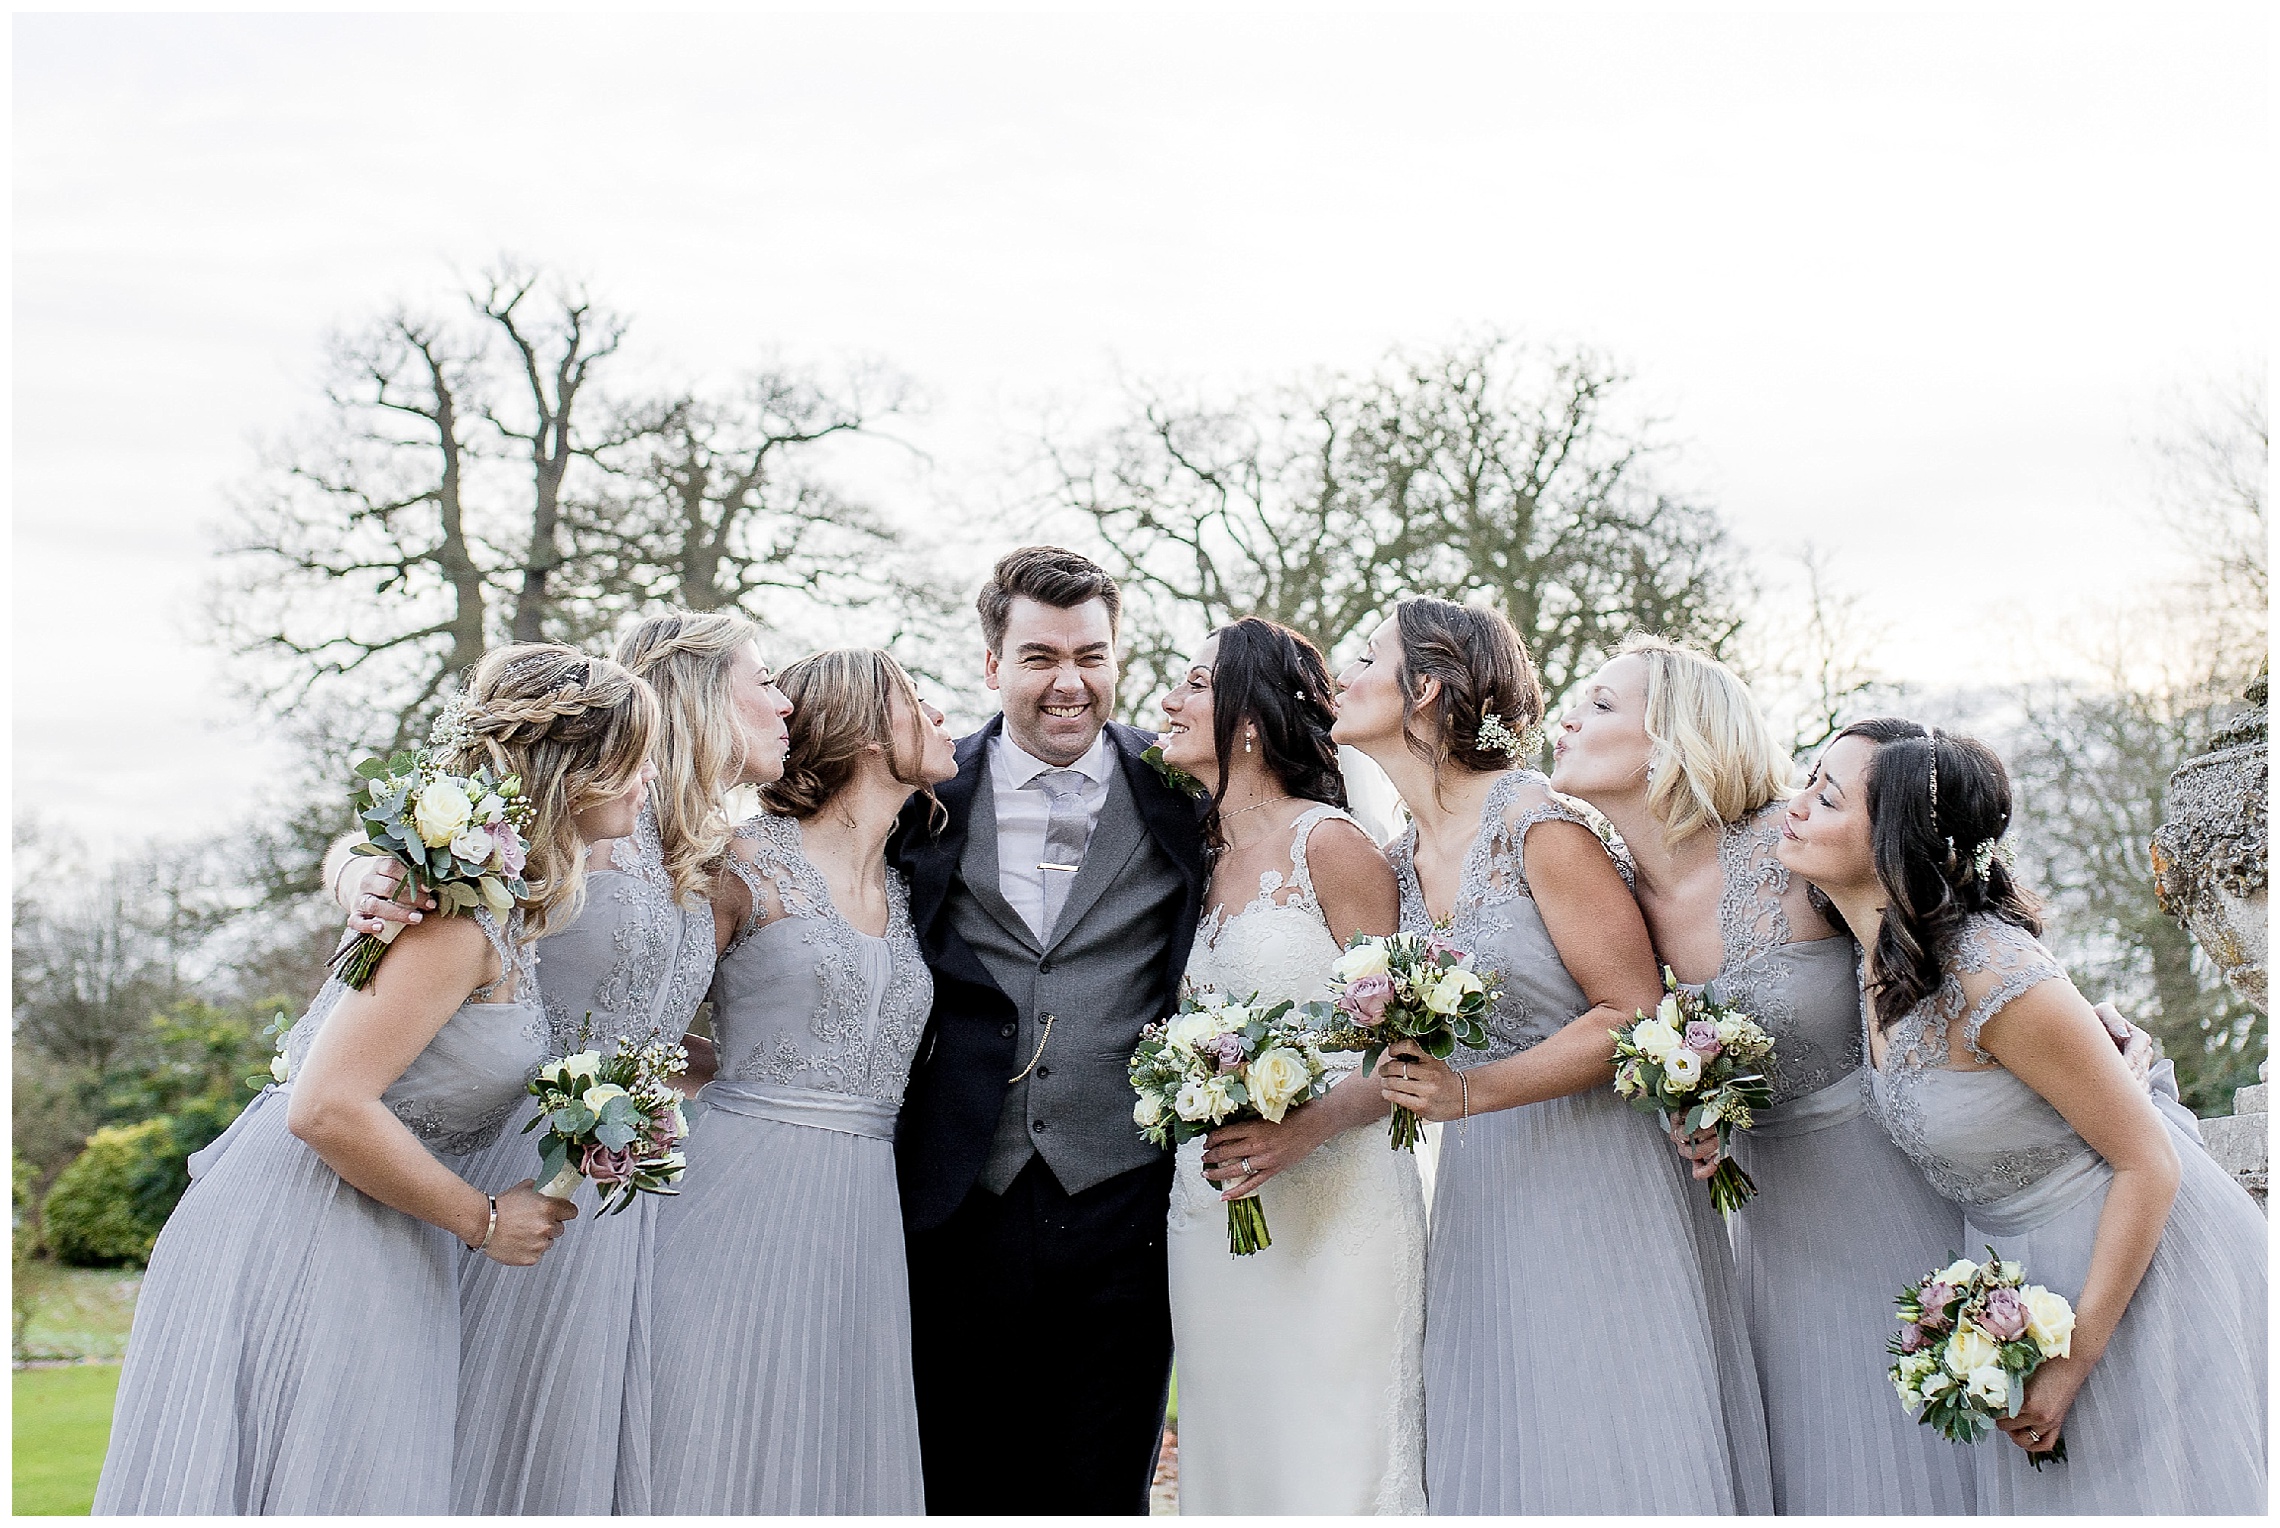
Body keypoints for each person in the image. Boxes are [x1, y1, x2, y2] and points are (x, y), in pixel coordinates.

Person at [1549, 635, 2166, 1513]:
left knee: (1944, 1444)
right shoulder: (1607, 895)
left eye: (1604, 704)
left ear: (1676, 736)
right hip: (1773, 1223)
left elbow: (1948, 937)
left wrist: (2090, 1018)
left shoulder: (1797, 849)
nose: (1570, 715)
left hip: (1897, 1190)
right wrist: (1694, 1109)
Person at [93, 644, 656, 1514]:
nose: (647, 781)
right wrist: (485, 1219)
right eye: (635, 759)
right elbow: (325, 1107)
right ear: (574, 772)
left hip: (385, 1236)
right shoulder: (457, 918)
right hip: (315, 1225)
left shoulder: (502, 908)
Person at [328, 611, 794, 1513]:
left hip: (603, 1188)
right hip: (499, 1164)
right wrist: (361, 879)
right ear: (696, 691)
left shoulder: (700, 846)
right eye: (764, 679)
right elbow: (405, 843)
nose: (784, 703)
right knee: (480, 1441)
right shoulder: (586, 804)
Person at [1345, 599, 1774, 1515]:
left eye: (1366, 656)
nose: (1345, 673)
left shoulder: (1540, 824)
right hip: (1483, 1187)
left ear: (1423, 688)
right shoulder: (1394, 859)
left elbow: (1633, 1008)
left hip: (1601, 1173)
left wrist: (1469, 1090)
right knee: (1502, 1428)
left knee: (1609, 1432)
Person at [1784, 719, 2265, 1514]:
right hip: (2017, 1279)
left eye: (1827, 797)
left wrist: (2073, 1358)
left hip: (2134, 1270)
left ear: (1896, 844)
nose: (1796, 807)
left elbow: (2150, 1162)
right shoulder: (1872, 952)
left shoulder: (1991, 973)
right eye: (1810, 781)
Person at [893, 547, 1208, 1514]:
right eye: (1039, 658)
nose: (1069, 683)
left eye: (1091, 655)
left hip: (1126, 1194)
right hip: (957, 1193)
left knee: (1100, 1486)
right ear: (993, 665)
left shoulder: (1184, 797)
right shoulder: (924, 798)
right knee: (958, 1481)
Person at [645, 648, 957, 1514]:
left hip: (863, 1208)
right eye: (918, 701)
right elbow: (640, 1027)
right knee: (713, 1428)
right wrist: (750, 1082)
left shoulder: (910, 886)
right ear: (861, 729)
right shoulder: (738, 867)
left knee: (832, 1448)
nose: (940, 717)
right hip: (738, 1197)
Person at [1156, 617, 1424, 1515]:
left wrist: (1305, 1125)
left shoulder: (1333, 846)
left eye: (1195, 683)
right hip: (1213, 1213)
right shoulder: (1188, 856)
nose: (1169, 699)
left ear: (1245, 720)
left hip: (1336, 1203)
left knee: (1331, 1456)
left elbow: (1407, 1041)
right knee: (1240, 1458)